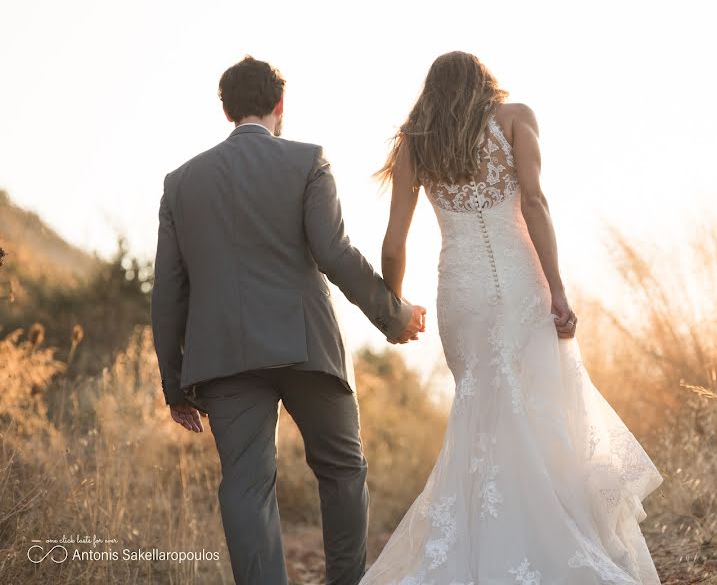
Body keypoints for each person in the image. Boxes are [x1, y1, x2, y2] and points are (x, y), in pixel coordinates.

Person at [360, 51, 663, 584]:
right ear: (485, 83)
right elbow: (536, 203)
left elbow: (393, 242)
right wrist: (559, 290)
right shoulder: (515, 117)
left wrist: (397, 304)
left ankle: (486, 541)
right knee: (542, 410)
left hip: (463, 292)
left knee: (482, 413)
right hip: (523, 284)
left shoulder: (416, 140)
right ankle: (555, 531)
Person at [150, 55, 426, 585]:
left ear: (227, 111)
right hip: (307, 348)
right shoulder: (308, 160)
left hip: (225, 360)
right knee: (343, 470)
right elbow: (335, 252)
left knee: (245, 486)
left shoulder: (180, 183)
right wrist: (392, 316)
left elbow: (168, 292)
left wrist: (174, 382)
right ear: (280, 105)